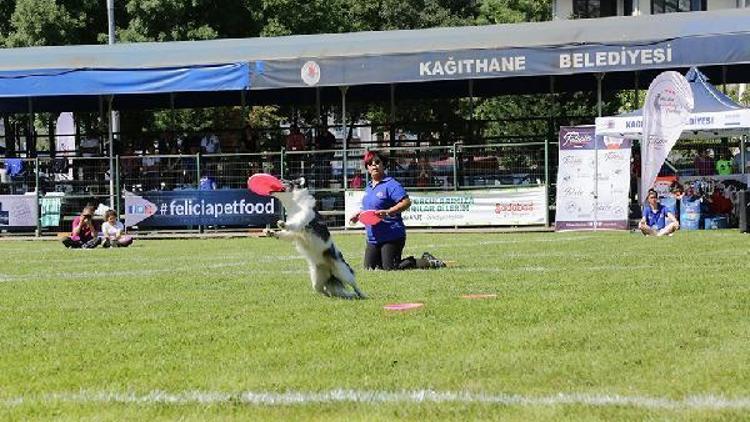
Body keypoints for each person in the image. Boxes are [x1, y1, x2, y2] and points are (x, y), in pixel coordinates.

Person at [349, 151, 445, 270]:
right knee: (370, 268)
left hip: (392, 236)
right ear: (367, 167)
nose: (374, 165)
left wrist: (389, 212)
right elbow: (370, 208)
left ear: (383, 165)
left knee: (390, 268)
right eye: (370, 163)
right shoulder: (369, 186)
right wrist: (359, 215)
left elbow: (406, 202)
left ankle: (427, 261)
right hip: (373, 238)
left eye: (377, 162)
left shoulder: (391, 184)